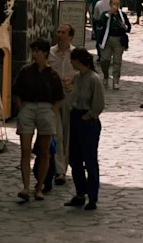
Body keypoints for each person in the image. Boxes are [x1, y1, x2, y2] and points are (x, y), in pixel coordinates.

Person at [12, 39, 65, 201]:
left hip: (45, 109)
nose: (34, 54)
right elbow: (17, 92)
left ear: (45, 53)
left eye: (37, 51)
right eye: (33, 51)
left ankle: (40, 187)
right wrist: (22, 109)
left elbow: (59, 97)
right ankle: (26, 187)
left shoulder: (52, 75)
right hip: (28, 107)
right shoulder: (26, 71)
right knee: (25, 150)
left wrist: (51, 111)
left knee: (44, 152)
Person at [66, 47, 105, 211]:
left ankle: (93, 197)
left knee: (89, 159)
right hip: (75, 117)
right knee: (74, 159)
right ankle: (80, 193)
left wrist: (87, 116)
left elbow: (99, 104)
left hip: (87, 121)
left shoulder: (93, 79)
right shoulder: (77, 77)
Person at [49, 24, 77, 186]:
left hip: (69, 98)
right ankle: (59, 171)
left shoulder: (75, 54)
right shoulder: (51, 53)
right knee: (56, 133)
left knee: (67, 134)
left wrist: (72, 80)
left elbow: (83, 72)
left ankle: (63, 167)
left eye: (63, 33)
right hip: (53, 99)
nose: (59, 35)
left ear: (70, 37)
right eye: (58, 32)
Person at [97, 0, 131, 90]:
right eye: (114, 4)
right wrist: (108, 14)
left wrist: (125, 26)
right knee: (105, 60)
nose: (115, 6)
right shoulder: (105, 14)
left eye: (117, 4)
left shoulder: (122, 15)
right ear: (110, 5)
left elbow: (129, 28)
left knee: (117, 61)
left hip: (119, 40)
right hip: (107, 40)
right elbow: (99, 24)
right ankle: (106, 75)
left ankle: (116, 81)